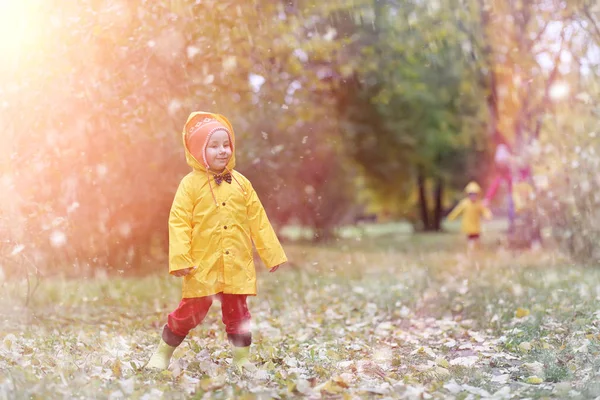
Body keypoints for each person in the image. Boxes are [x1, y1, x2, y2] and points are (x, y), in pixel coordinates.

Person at [145, 111, 287, 372]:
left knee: (239, 314)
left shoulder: (242, 184)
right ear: (200, 151)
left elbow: (258, 219)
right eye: (214, 146)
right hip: (203, 264)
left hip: (236, 262)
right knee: (190, 312)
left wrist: (272, 254)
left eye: (226, 144)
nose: (222, 151)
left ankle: (242, 361)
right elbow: (178, 221)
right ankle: (163, 352)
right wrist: (181, 259)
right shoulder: (189, 185)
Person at [447, 182, 493, 252]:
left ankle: (475, 252)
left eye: (474, 194)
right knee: (471, 241)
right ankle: (471, 252)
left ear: (477, 194)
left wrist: (488, 216)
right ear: (468, 194)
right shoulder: (464, 203)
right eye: (471, 194)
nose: (473, 196)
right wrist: (451, 217)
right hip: (468, 226)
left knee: (477, 241)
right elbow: (457, 211)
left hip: (477, 227)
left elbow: (485, 211)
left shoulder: (479, 203)